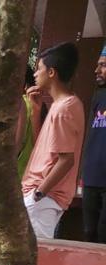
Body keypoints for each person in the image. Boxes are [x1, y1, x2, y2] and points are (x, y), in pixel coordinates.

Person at [21, 42, 85, 239]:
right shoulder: (63, 105)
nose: (35, 74)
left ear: (52, 73)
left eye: (39, 68)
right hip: (41, 196)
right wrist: (37, 111)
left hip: (43, 198)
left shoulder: (64, 109)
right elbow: (45, 147)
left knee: (31, 258)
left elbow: (66, 160)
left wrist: (38, 194)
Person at [81, 44, 106, 243]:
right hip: (91, 179)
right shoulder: (98, 97)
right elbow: (91, 135)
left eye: (103, 65)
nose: (96, 70)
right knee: (89, 233)